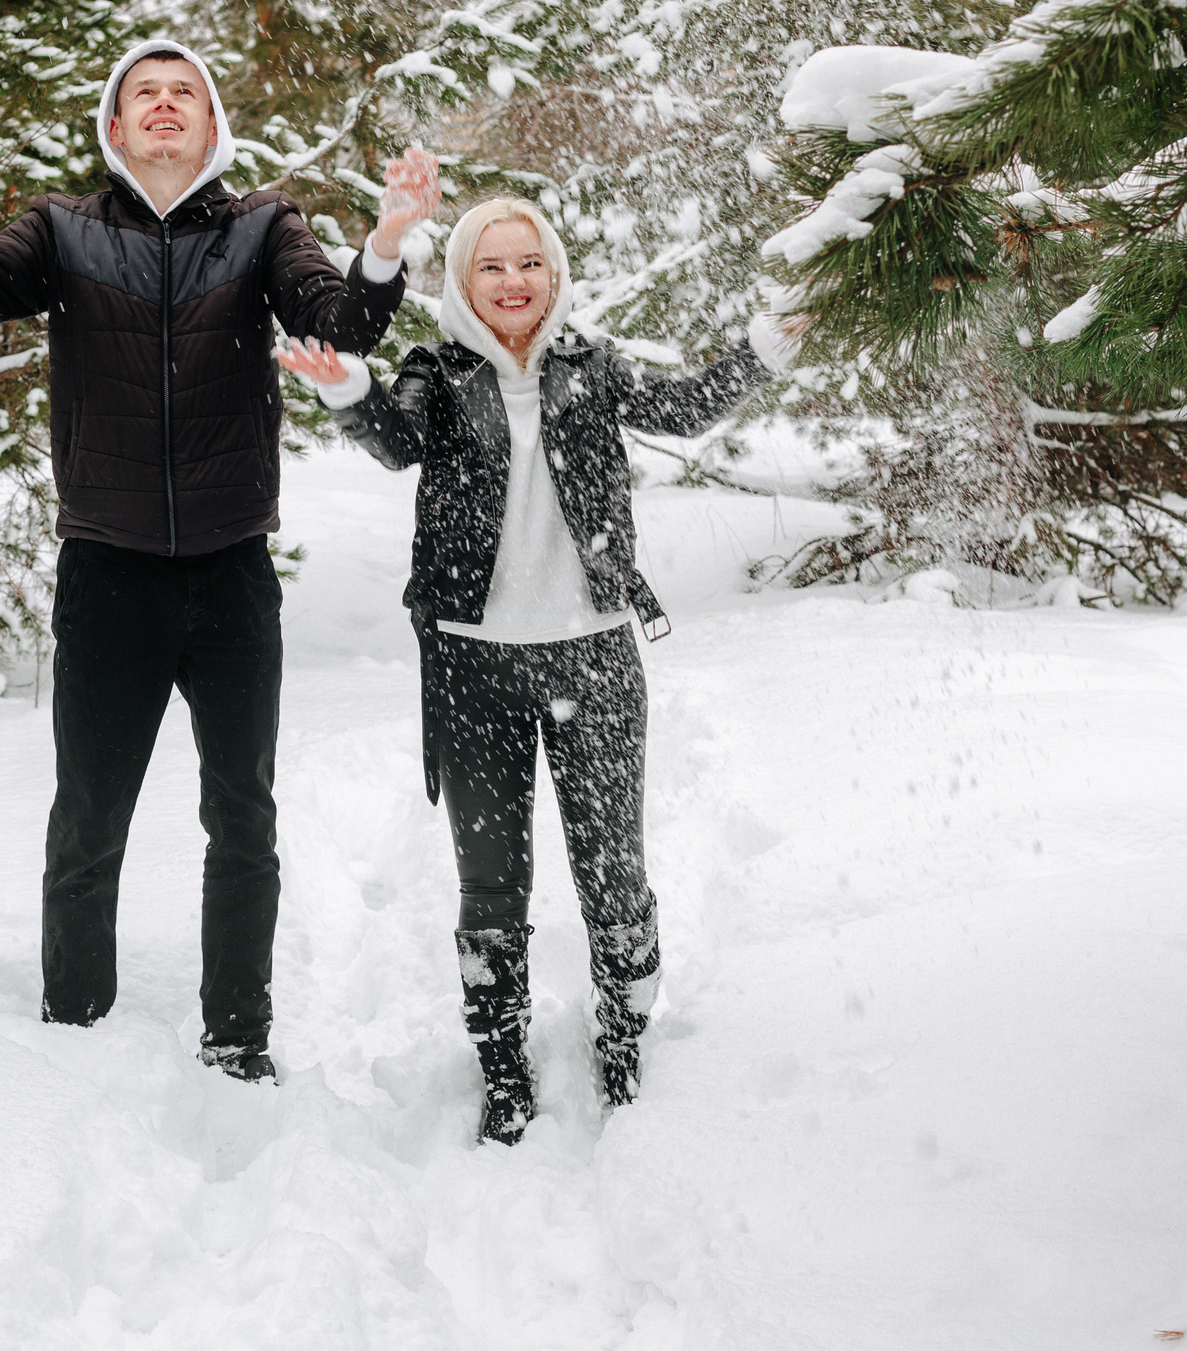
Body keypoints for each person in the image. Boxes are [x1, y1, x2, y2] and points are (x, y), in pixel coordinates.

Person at [0, 39, 437, 1082]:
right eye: (143, 96)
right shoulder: (61, 230)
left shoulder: (263, 229)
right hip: (107, 577)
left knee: (241, 818)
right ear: (114, 131)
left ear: (212, 126)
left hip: (231, 574)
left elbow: (343, 323)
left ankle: (238, 1042)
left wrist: (384, 242)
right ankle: (73, 1037)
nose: (164, 107)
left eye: (185, 94)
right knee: (87, 822)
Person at [277, 195, 799, 1142]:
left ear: (553, 276)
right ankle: (504, 1065)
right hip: (475, 670)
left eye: (529, 265)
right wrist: (349, 392)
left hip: (594, 657)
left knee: (614, 875)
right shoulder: (437, 374)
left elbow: (683, 408)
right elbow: (396, 444)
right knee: (491, 888)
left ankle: (625, 1041)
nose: (512, 282)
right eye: (491, 266)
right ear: (464, 283)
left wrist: (765, 346)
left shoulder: (590, 369)